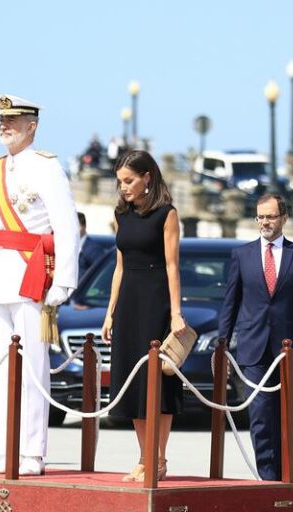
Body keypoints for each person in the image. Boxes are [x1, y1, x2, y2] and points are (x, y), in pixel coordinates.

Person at [0, 94, 80, 476]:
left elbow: (66, 226)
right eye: (1, 120)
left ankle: (33, 453)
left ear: (31, 126)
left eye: (12, 120)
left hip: (31, 275)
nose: (4, 125)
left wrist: (63, 281)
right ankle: (7, 450)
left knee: (33, 370)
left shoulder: (47, 167)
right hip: (0, 279)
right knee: (2, 370)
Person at [218, 193, 293, 481]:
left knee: (282, 415)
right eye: (260, 217)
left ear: (284, 218)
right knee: (260, 415)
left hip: (286, 350)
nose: (265, 222)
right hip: (253, 348)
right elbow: (230, 304)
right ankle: (267, 480)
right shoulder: (242, 255)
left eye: (271, 216)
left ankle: (283, 479)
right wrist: (222, 345)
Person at [100, 150, 185, 482]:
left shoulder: (167, 214)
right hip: (129, 304)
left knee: (159, 384)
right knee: (132, 382)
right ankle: (144, 457)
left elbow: (173, 266)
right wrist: (110, 313)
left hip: (156, 302)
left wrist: (176, 314)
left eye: (129, 181)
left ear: (147, 177)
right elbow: (119, 267)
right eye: (120, 182)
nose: (123, 187)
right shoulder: (121, 214)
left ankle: (158, 458)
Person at [77, 212, 107, 280]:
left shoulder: (93, 249)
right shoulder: (71, 247)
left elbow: (101, 273)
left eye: (77, 226)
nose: (74, 230)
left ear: (84, 226)